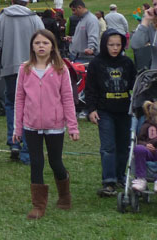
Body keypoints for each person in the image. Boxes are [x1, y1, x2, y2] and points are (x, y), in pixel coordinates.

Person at [13, 30, 79, 219]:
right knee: (36, 162)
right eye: (37, 43)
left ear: (52, 46)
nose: (41, 46)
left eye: (45, 43)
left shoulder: (60, 69)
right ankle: (38, 205)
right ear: (32, 47)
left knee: (55, 161)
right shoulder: (24, 69)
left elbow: (67, 98)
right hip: (31, 125)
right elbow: (19, 99)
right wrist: (17, 128)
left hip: (55, 125)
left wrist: (73, 127)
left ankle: (64, 195)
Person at [0, 0, 44, 164]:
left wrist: (5, 53)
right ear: (27, 1)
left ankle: (14, 143)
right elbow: (44, 42)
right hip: (33, 70)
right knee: (30, 108)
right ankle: (27, 150)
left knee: (12, 105)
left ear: (12, 0)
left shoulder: (3, 17)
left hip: (11, 69)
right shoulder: (35, 19)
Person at [85, 30, 136, 197]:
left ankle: (121, 176)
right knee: (108, 146)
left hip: (124, 110)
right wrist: (91, 109)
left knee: (124, 145)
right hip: (104, 109)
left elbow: (134, 86)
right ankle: (109, 181)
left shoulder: (127, 63)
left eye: (118, 45)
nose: (115, 48)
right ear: (105, 44)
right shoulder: (96, 63)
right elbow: (90, 88)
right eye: (111, 45)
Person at [131, 100, 157, 193]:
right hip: (148, 152)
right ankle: (141, 178)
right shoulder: (146, 125)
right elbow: (140, 140)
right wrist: (146, 145)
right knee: (138, 149)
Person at [66, 0, 99, 65]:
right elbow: (81, 35)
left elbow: (93, 35)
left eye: (74, 10)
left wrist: (91, 48)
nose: (73, 13)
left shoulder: (91, 19)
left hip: (85, 58)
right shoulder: (82, 19)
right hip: (77, 56)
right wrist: (72, 38)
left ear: (80, 7)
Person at [130, 0, 157, 72]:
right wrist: (145, 21)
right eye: (155, 4)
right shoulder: (152, 25)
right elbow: (135, 45)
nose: (156, 7)